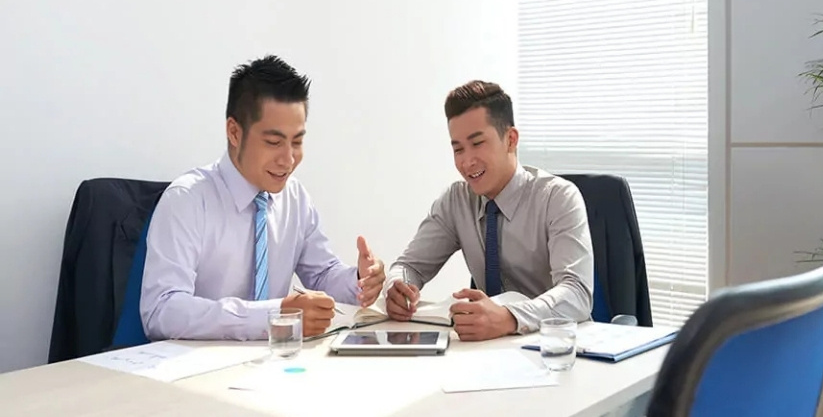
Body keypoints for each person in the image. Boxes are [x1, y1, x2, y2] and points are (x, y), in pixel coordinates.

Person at [141, 55, 385, 340]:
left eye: (297, 141)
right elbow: (162, 311)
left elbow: (322, 276)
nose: (288, 159)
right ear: (234, 132)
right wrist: (271, 316)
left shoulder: (295, 197)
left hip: (276, 360)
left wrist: (360, 280)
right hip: (194, 361)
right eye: (273, 142)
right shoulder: (187, 200)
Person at [384, 80, 593, 341]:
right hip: (488, 350)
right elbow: (409, 266)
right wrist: (398, 287)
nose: (467, 161)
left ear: (511, 140)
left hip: (555, 346)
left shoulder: (558, 198)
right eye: (458, 149)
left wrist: (509, 317)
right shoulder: (456, 201)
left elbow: (577, 293)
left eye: (478, 143)